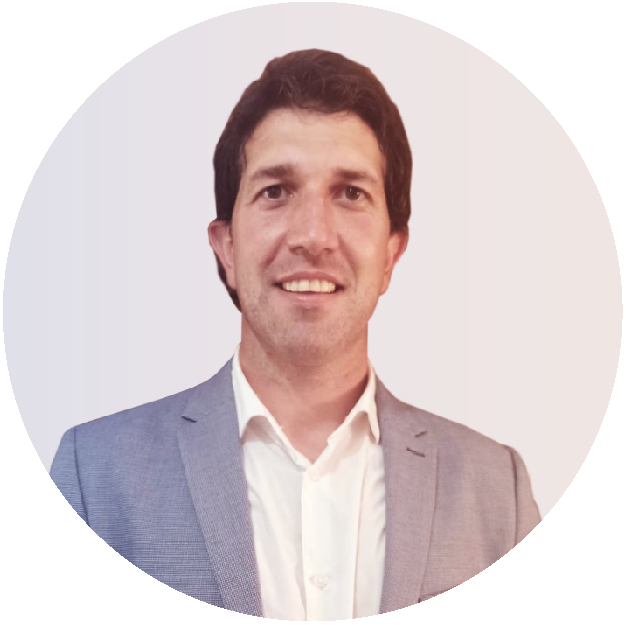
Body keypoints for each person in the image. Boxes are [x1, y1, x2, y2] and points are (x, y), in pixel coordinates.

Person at [50, 49, 540, 619]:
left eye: (351, 193)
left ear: (391, 253)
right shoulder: (95, 479)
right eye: (276, 191)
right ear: (226, 248)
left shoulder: (497, 493)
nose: (313, 236)